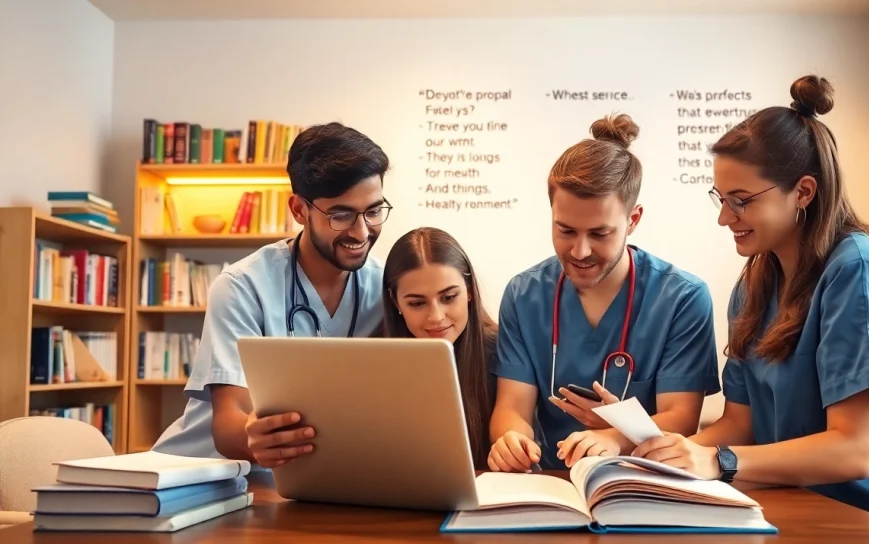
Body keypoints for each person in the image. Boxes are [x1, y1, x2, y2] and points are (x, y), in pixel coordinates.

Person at [632, 75, 869, 513]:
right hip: (803, 507)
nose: (724, 218)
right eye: (721, 199)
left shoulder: (859, 274)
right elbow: (741, 425)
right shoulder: (753, 286)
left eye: (741, 200)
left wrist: (715, 460)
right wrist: (666, 456)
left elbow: (854, 450)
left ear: (803, 192)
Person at [151, 121, 393, 470]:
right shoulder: (242, 286)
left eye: (373, 211)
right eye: (341, 215)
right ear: (299, 210)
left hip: (301, 481)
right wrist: (256, 436)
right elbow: (229, 424)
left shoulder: (387, 288)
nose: (362, 232)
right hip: (200, 475)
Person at [487, 113, 722, 472]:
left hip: (642, 479)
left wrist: (616, 438)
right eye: (565, 230)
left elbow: (682, 417)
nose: (580, 251)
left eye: (599, 234)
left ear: (633, 220)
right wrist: (511, 440)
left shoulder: (682, 299)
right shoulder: (523, 295)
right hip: (552, 482)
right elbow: (512, 408)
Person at [380, 227, 498, 469]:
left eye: (448, 297)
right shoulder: (375, 361)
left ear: (468, 290)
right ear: (395, 302)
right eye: (417, 303)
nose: (436, 316)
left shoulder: (503, 351)